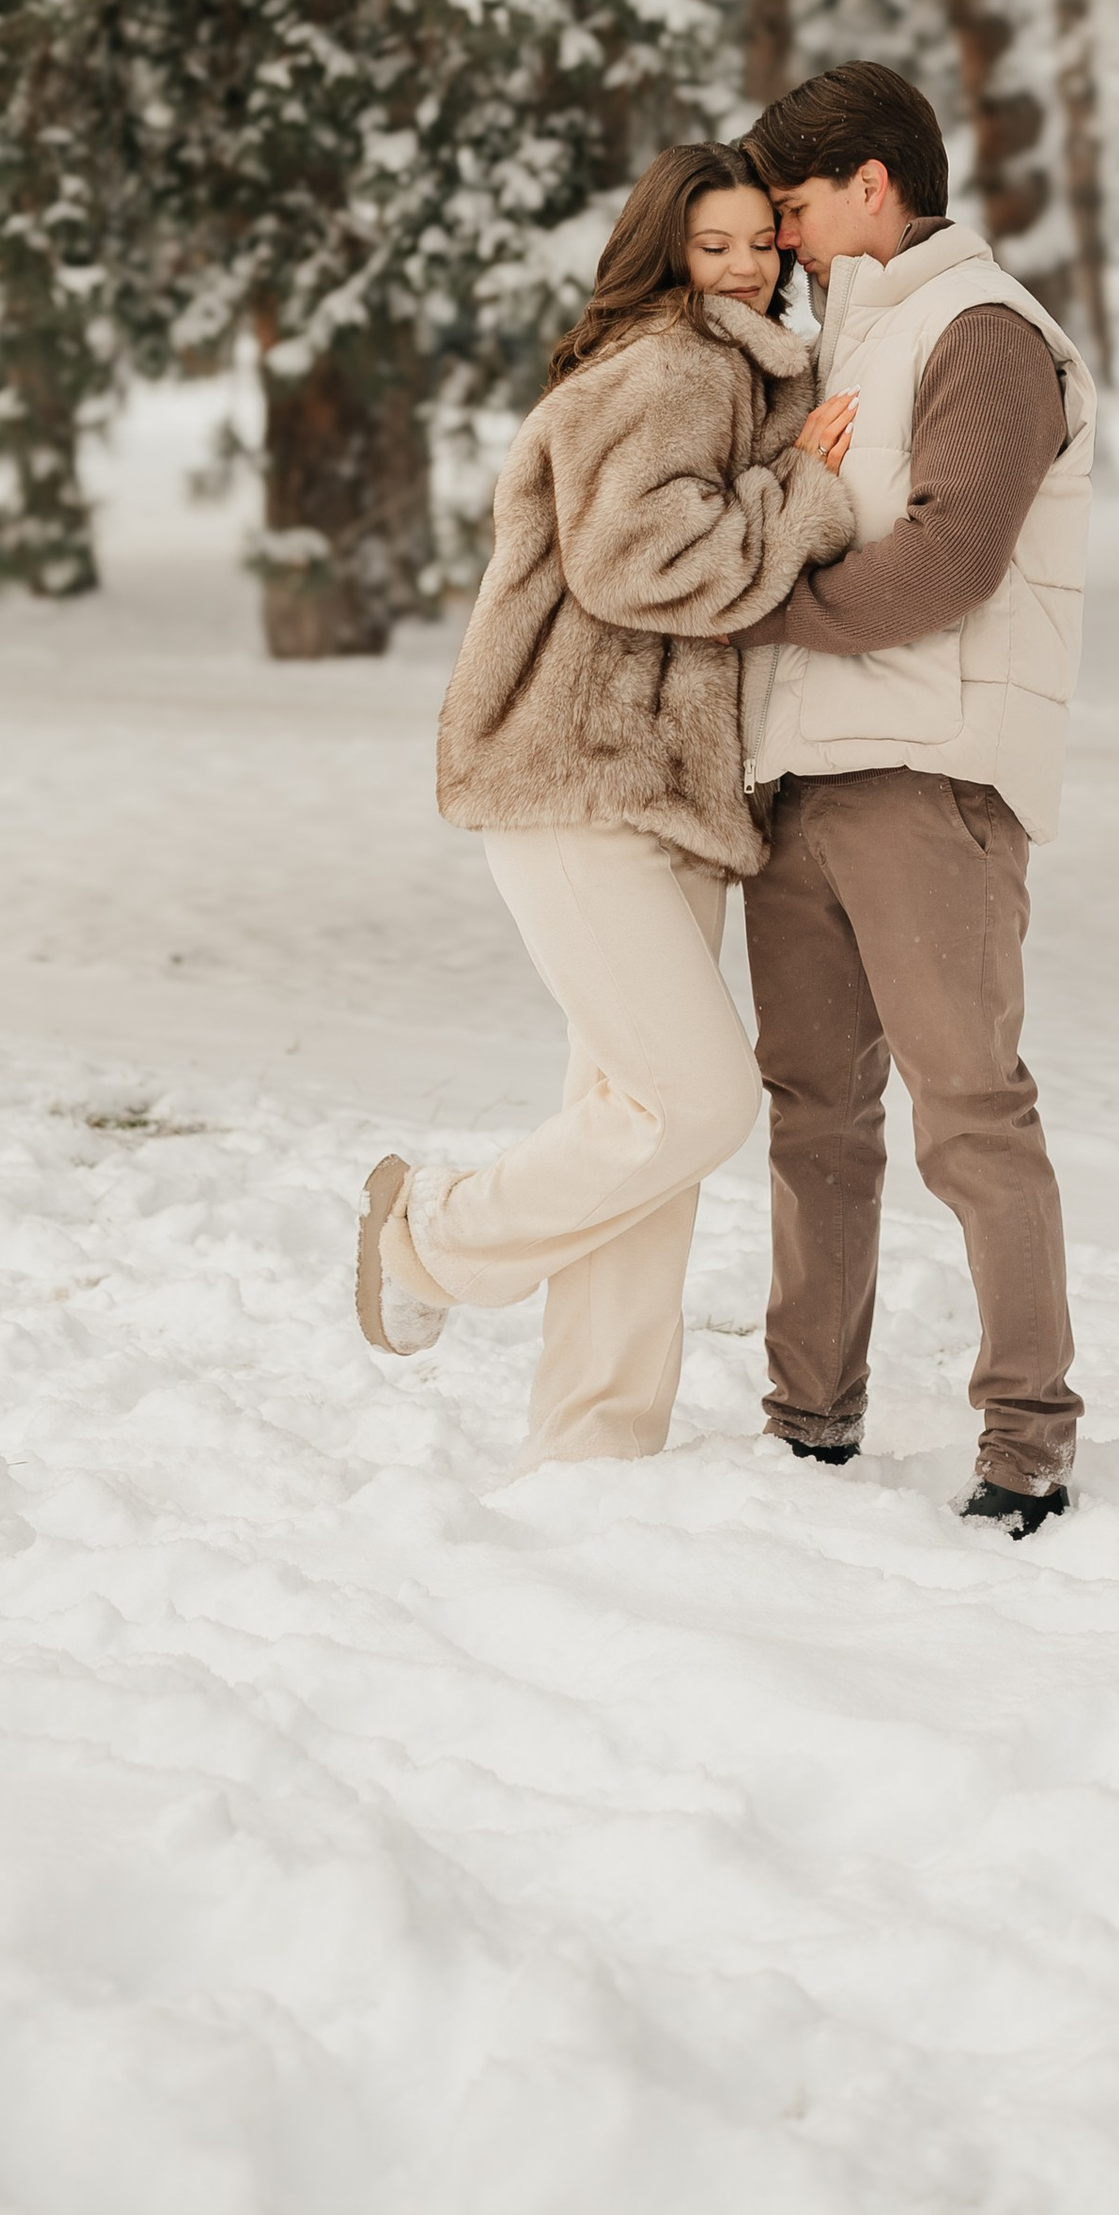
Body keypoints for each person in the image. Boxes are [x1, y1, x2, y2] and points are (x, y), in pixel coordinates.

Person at [356, 145, 858, 1469]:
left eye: (763, 241)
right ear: (668, 254)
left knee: (633, 1117)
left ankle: (595, 1439)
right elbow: (638, 561)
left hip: (665, 792)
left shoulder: (730, 368)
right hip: (581, 778)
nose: (748, 263)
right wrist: (800, 492)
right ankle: (431, 1233)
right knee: (698, 1100)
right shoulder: (674, 365)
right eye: (717, 245)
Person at [733, 62, 1095, 1537]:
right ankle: (808, 1418)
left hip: (932, 783)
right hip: (800, 782)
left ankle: (1028, 1436)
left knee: (969, 1116)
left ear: (873, 187)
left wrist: (761, 607)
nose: (785, 242)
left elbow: (950, 561)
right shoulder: (834, 354)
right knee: (813, 1113)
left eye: (800, 208)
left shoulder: (987, 333)